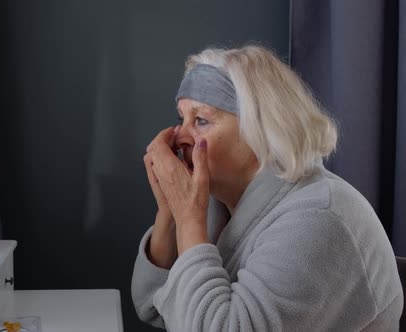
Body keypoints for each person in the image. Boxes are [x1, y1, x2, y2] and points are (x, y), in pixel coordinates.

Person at [132, 45, 403, 331]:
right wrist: (170, 214)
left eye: (201, 120)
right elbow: (152, 305)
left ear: (259, 130)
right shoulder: (220, 207)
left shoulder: (320, 218)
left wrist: (188, 219)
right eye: (180, 119)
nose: (180, 137)